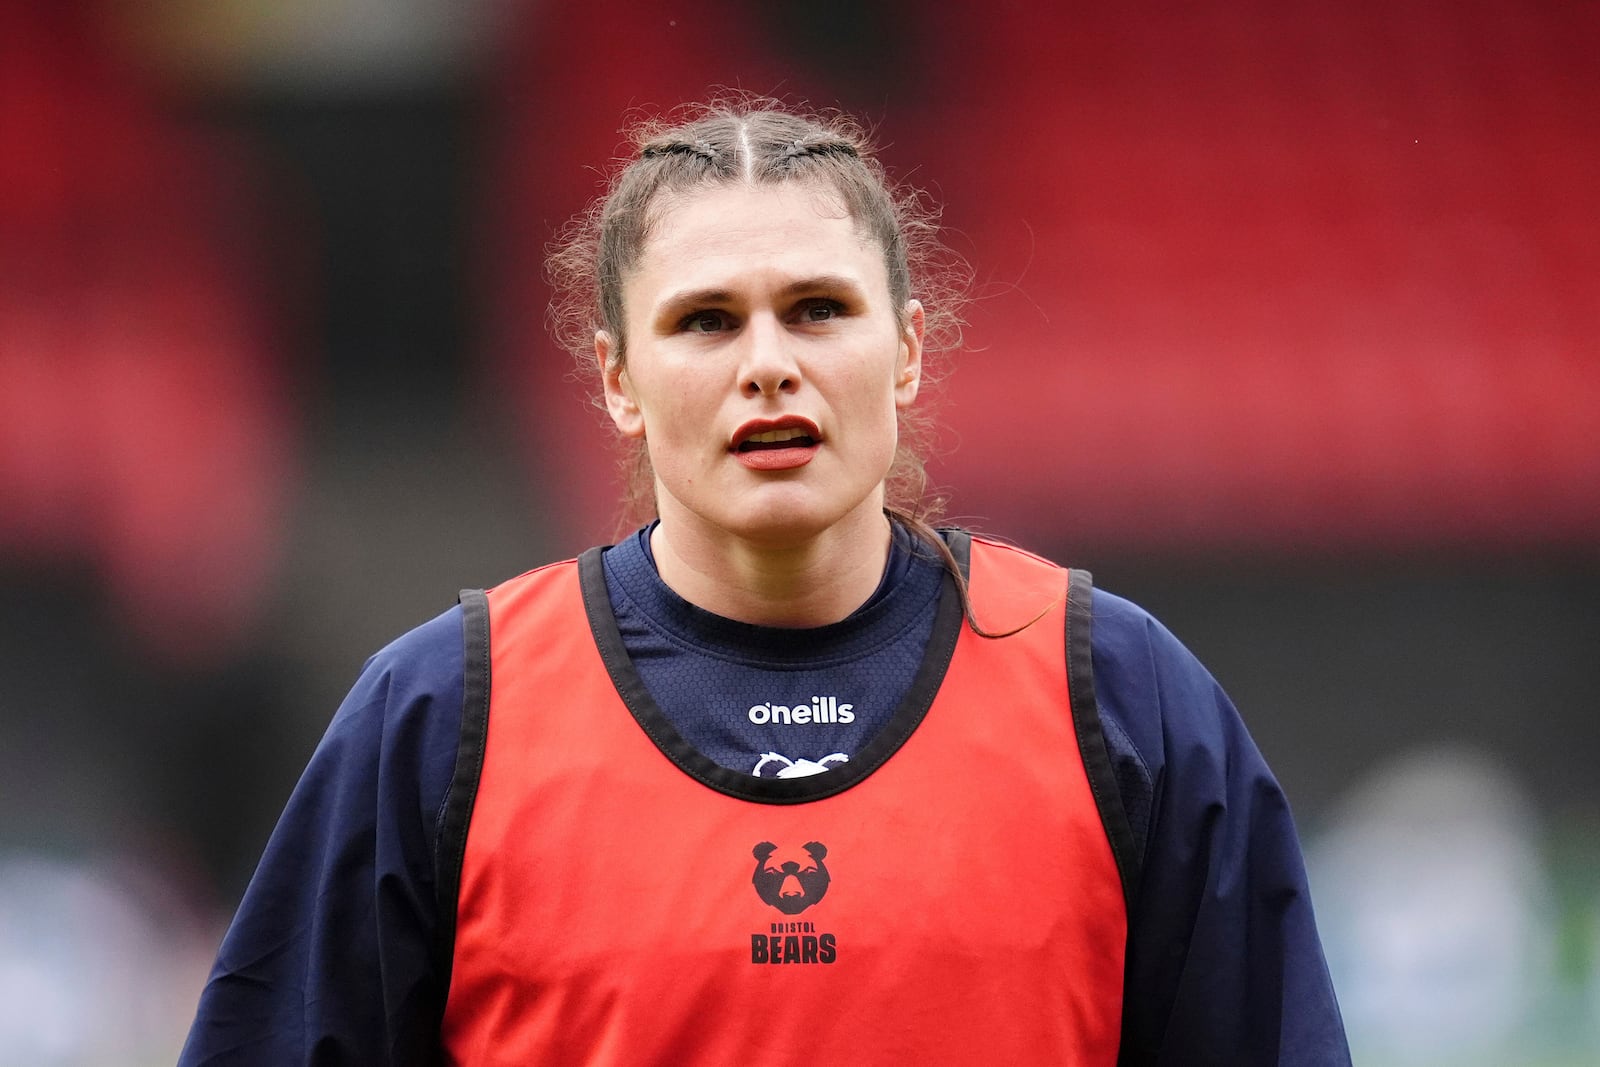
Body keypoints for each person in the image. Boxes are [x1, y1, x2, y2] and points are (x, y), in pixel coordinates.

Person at [180, 101, 1351, 1065]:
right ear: (617, 376)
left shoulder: (1116, 691)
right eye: (704, 321)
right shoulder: (445, 714)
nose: (769, 366)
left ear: (905, 348)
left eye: (817, 309)